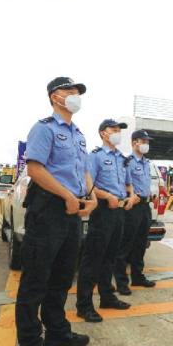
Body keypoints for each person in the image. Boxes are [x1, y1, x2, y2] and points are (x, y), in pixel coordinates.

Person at [15, 76, 97, 346]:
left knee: (62, 277)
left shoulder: (78, 134)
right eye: (69, 91)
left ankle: (57, 331)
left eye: (78, 92)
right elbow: (35, 168)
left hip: (72, 210)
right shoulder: (44, 128)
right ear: (54, 97)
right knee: (36, 280)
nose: (75, 96)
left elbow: (83, 170)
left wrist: (91, 197)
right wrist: (67, 196)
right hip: (48, 208)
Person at [76, 119, 138, 322]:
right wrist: (107, 196)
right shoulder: (96, 156)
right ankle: (84, 305)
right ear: (103, 133)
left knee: (110, 258)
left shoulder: (122, 158)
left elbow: (128, 183)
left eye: (120, 130)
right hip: (102, 210)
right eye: (114, 129)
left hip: (119, 212)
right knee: (93, 259)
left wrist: (131, 196)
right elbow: (89, 185)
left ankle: (107, 297)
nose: (118, 133)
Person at [114, 130, 156, 295]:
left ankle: (138, 276)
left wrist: (148, 194)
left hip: (145, 206)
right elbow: (122, 183)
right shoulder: (128, 161)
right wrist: (131, 196)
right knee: (126, 245)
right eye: (143, 141)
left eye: (147, 142)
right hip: (133, 207)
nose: (146, 144)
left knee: (141, 243)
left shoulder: (146, 163)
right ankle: (121, 282)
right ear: (134, 143)